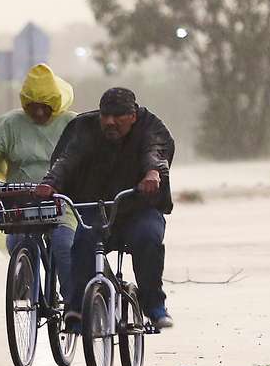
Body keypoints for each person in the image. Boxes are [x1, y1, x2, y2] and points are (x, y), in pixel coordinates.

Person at [36, 87, 176, 330]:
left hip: (139, 207)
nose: (110, 122)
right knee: (81, 244)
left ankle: (154, 305)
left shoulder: (150, 126)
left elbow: (156, 152)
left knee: (149, 239)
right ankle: (77, 307)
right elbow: (67, 159)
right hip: (97, 207)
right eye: (105, 115)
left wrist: (153, 173)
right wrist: (50, 183)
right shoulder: (85, 128)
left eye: (118, 116)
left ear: (133, 116)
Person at [0, 64, 79, 308]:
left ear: (55, 103)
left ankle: (74, 304)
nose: (38, 113)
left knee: (63, 245)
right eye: (32, 107)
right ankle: (28, 289)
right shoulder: (10, 124)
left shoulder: (72, 124)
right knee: (16, 242)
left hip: (62, 202)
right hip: (22, 201)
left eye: (44, 107)